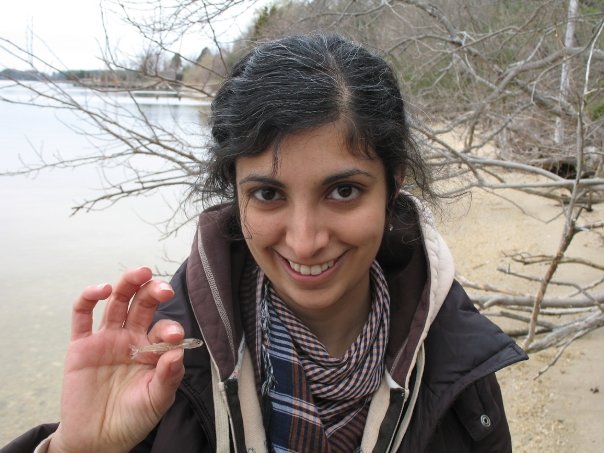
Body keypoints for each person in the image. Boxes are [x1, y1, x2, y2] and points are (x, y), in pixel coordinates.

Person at [2, 33, 527, 453]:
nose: (305, 241)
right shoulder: (163, 370)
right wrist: (78, 448)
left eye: (344, 191)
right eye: (269, 194)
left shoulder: (457, 369)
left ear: (394, 186)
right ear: (234, 195)